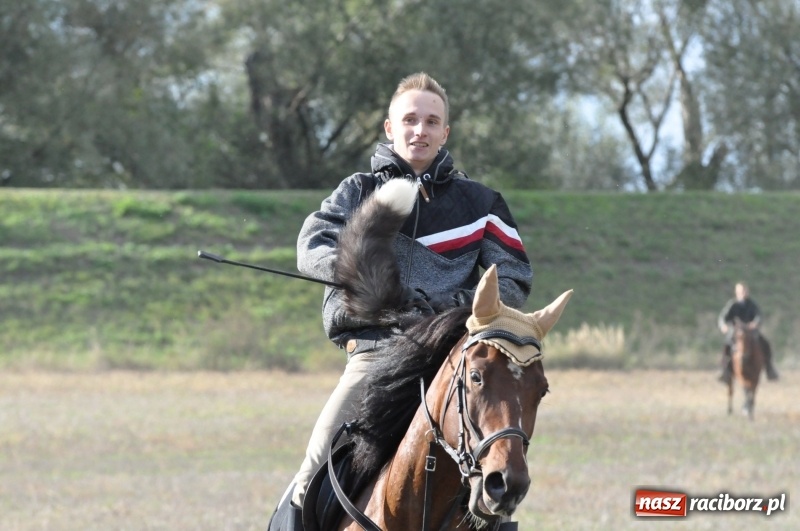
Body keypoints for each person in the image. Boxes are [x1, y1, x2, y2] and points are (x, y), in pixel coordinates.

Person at [287, 72, 533, 518]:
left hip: (452, 362)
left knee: (499, 476)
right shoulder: (356, 192)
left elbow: (513, 277)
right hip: (374, 357)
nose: (420, 130)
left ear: (445, 132)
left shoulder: (482, 203)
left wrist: (451, 310)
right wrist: (366, 275)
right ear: (390, 127)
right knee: (310, 476)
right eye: (410, 119)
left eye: (431, 121)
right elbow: (312, 247)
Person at [717, 281, 779, 383]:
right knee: (726, 346)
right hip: (736, 332)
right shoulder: (732, 305)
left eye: (745, 291)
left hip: (750, 332)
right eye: (741, 291)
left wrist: (755, 323)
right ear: (736, 292)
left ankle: (769, 368)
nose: (743, 293)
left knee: (765, 343)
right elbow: (723, 317)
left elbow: (759, 316)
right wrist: (723, 326)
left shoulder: (752, 304)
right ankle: (724, 371)